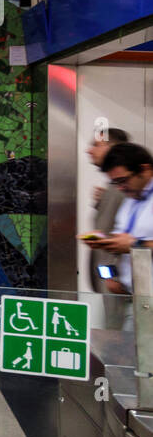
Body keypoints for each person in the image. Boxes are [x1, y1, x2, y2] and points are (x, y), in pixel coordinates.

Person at [85, 142, 153, 330]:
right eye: (116, 183)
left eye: (123, 180)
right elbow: (121, 247)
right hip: (135, 300)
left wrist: (136, 245)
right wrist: (110, 271)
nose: (121, 188)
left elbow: (133, 245)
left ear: (144, 169)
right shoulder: (131, 201)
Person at [87, 128, 128, 328]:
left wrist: (110, 276)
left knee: (120, 340)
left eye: (96, 145)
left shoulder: (122, 189)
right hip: (114, 281)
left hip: (118, 284)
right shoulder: (114, 189)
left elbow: (116, 240)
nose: (89, 150)